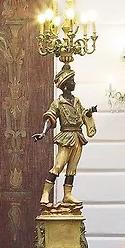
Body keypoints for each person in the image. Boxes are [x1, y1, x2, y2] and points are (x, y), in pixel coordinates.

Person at [34, 65, 98, 207]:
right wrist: (43, 133)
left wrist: (89, 112)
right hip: (66, 136)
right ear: (65, 85)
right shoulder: (58, 103)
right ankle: (45, 194)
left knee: (72, 168)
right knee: (58, 165)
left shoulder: (76, 101)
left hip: (77, 137)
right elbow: (50, 118)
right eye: (72, 81)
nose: (74, 83)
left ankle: (67, 195)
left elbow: (82, 114)